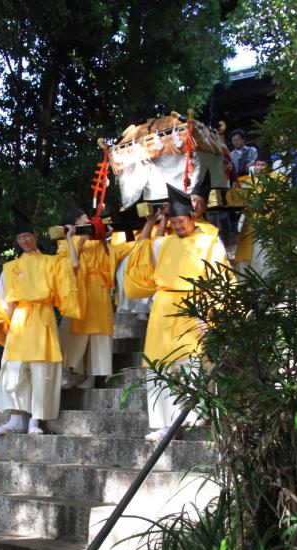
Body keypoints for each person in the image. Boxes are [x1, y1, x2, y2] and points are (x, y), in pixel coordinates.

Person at [125, 185, 230, 441]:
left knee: (190, 361)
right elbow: (140, 266)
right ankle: (163, 422)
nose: (178, 226)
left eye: (181, 221)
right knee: (161, 365)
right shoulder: (163, 244)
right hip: (163, 308)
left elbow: (221, 278)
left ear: (192, 217)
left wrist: (211, 313)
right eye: (174, 222)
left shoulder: (209, 241)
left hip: (193, 307)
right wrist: (151, 223)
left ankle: (194, 416)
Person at [0, 205, 81, 435]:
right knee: (14, 371)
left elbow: (73, 268)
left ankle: (35, 421)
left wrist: (69, 240)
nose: (25, 240)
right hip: (19, 321)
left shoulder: (52, 262)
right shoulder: (10, 268)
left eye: (27, 235)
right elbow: (2, 298)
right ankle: (16, 419)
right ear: (17, 240)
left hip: (43, 319)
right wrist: (0, 321)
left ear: (35, 236)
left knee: (42, 372)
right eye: (20, 237)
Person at [57, 202, 117, 389]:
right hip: (78, 294)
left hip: (97, 291)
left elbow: (109, 263)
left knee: (98, 335)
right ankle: (75, 372)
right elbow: (67, 267)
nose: (89, 221)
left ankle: (93, 376)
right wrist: (78, 242)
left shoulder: (96, 241)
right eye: (85, 219)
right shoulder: (64, 244)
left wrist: (103, 240)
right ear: (76, 223)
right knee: (74, 333)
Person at [235, 149, 281, 277]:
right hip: (250, 224)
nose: (259, 168)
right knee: (248, 258)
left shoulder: (277, 180)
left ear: (269, 167)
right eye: (258, 164)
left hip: (269, 223)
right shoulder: (246, 181)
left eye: (263, 165)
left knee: (266, 256)